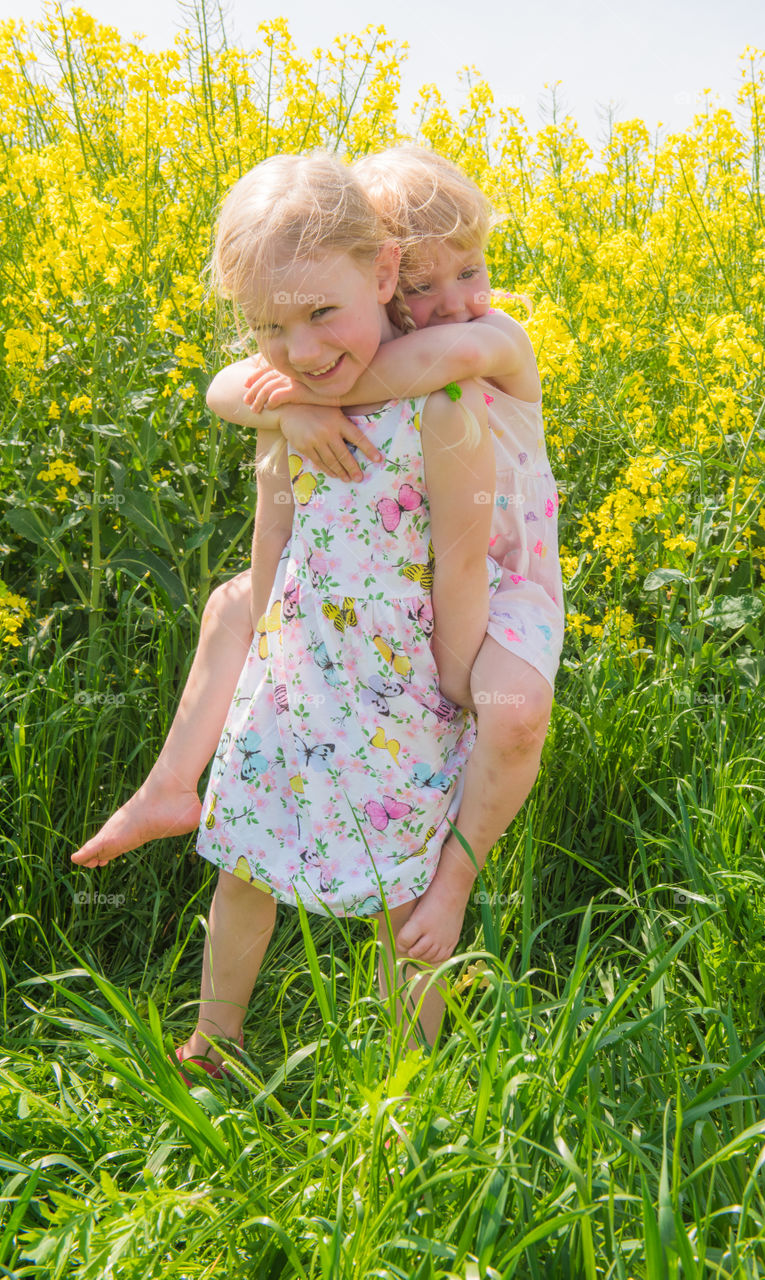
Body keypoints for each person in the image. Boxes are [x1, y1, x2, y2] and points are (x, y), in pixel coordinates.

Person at [75, 150, 500, 1069]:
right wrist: (288, 410)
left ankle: (405, 1080)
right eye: (271, 328)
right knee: (245, 865)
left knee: (406, 899)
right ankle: (212, 1039)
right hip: (292, 669)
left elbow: (462, 564)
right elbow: (266, 513)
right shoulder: (286, 400)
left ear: (383, 274)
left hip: (405, 684)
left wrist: (459, 685)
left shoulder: (442, 402)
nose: (303, 350)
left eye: (320, 316)